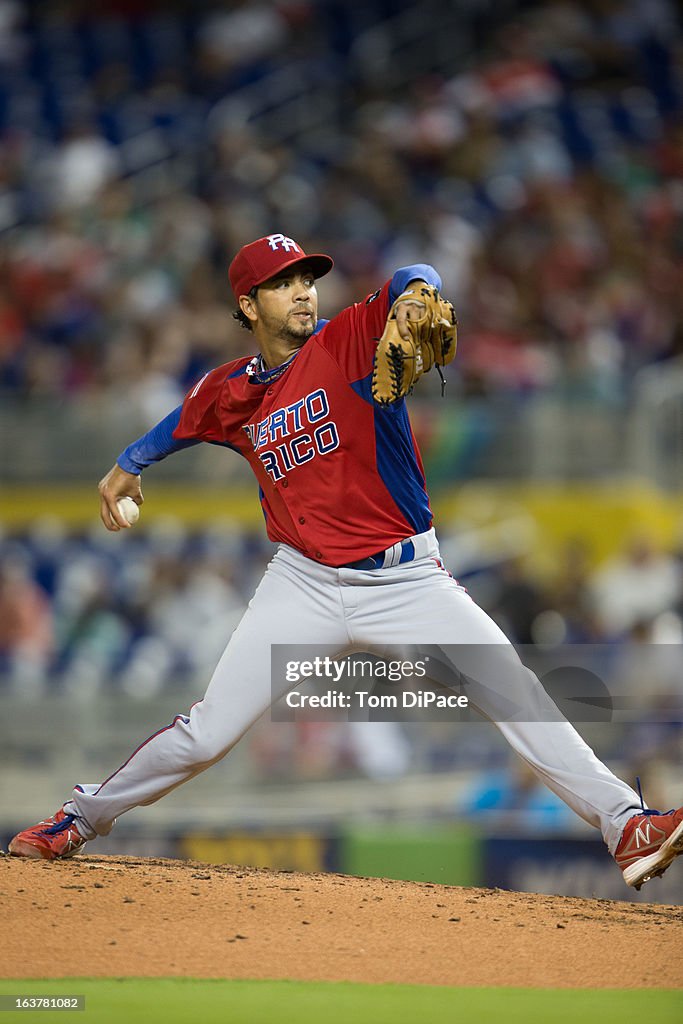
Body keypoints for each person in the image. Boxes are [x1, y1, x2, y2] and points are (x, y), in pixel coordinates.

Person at [9, 233, 683, 892]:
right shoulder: (231, 390)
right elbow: (182, 420)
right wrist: (129, 463)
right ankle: (79, 817)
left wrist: (421, 293)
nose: (302, 292)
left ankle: (625, 827)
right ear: (248, 305)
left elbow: (409, 276)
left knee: (518, 696)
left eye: (307, 279)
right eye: (282, 283)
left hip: (406, 580)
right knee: (207, 733)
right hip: (301, 582)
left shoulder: (351, 339)